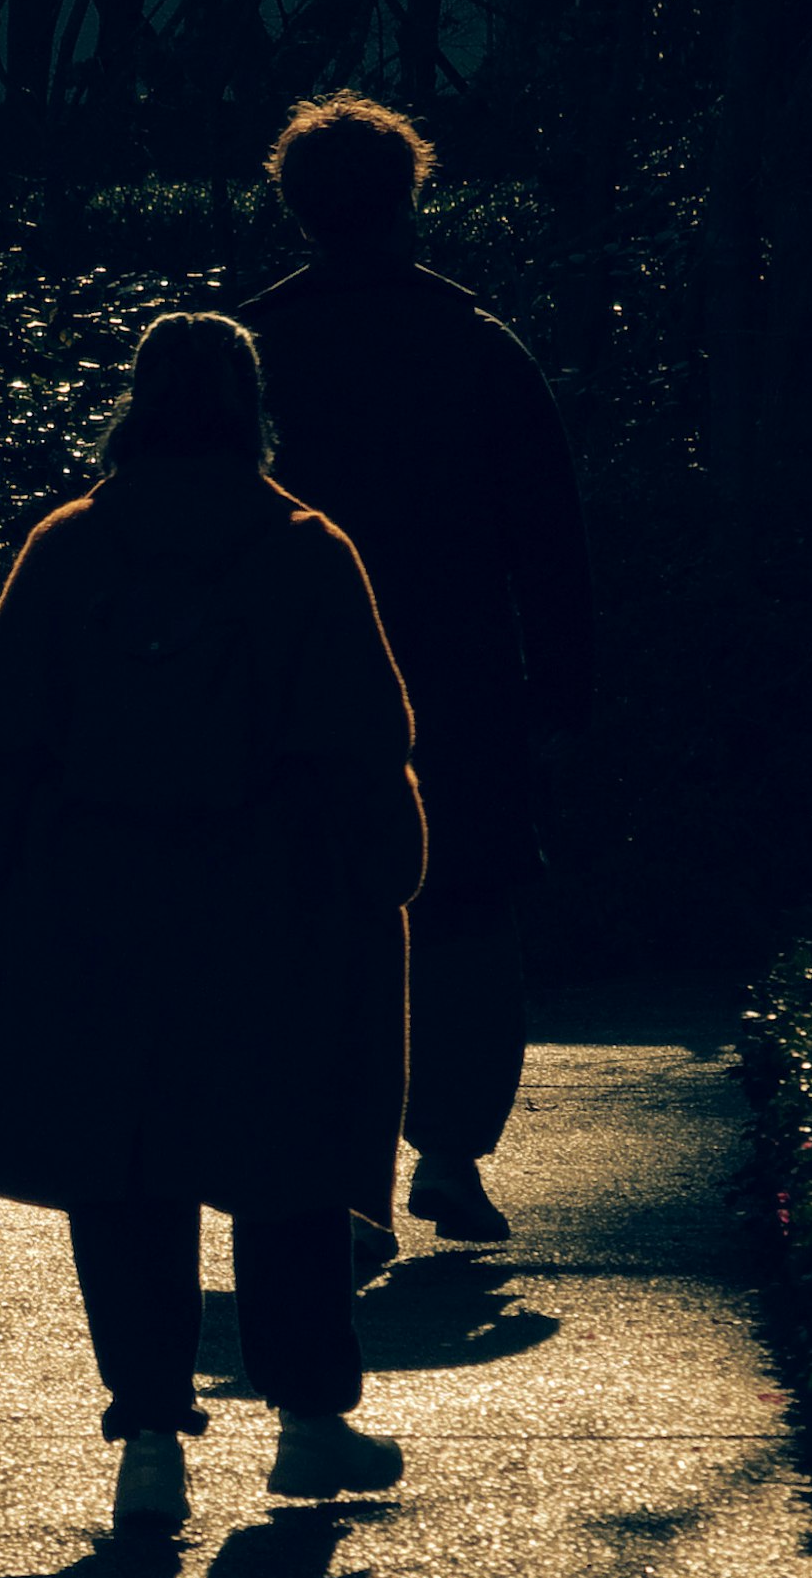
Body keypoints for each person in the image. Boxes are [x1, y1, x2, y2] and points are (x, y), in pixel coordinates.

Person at [0, 313, 422, 1529]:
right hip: (275, 900)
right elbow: (366, 735)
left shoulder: (71, 547)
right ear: (250, 407)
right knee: (285, 1158)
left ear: (136, 404)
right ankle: (308, 1422)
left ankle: (149, 1436)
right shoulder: (305, 550)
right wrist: (389, 864)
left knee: (124, 1164)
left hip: (97, 901)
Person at [245, 93, 596, 1244]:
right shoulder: (476, 347)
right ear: (409, 198)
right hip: (457, 675)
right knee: (465, 909)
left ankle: (343, 1176)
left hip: (288, 686)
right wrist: (565, 696)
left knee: (308, 923)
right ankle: (449, 1149)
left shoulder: (253, 350)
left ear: (297, 206)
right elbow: (549, 542)